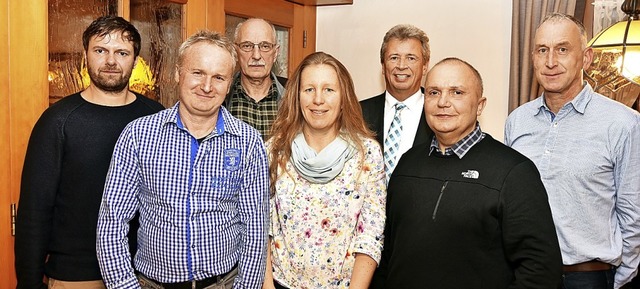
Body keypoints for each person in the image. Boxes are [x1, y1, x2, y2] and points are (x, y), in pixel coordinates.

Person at [96, 30, 269, 289]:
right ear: (179, 73)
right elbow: (112, 223)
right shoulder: (138, 135)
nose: (207, 86)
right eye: (197, 73)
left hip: (223, 283)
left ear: (229, 84)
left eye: (218, 77)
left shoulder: (248, 142)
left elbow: (255, 230)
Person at [373, 58, 563, 289]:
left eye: (457, 92)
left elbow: (540, 271)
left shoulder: (514, 172)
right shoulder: (407, 164)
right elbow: (387, 254)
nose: (443, 102)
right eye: (434, 92)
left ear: (480, 105)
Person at [14, 16, 164, 289]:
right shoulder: (58, 121)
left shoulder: (155, 117)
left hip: (141, 274)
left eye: (121, 52)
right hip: (77, 275)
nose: (110, 61)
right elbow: (34, 211)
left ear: (135, 60)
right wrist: (28, 282)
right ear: (86, 56)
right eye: (100, 51)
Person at [505, 13, 640, 289]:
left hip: (589, 276)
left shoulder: (622, 123)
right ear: (533, 58)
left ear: (586, 58)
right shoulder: (516, 121)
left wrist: (620, 280)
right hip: (526, 276)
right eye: (542, 50)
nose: (551, 61)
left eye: (563, 50)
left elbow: (633, 213)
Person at [262, 52, 386, 289]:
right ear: (297, 96)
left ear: (343, 98)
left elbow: (370, 236)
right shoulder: (275, 151)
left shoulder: (367, 154)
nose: (318, 99)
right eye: (309, 89)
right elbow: (261, 229)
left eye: (329, 90)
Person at [360, 24, 433, 181]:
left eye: (411, 58)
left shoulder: (438, 114)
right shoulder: (357, 112)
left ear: (425, 66)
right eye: (394, 58)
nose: (401, 66)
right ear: (383, 66)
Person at [225, 18, 287, 140]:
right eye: (247, 46)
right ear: (236, 51)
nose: (256, 55)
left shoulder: (294, 94)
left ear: (275, 53)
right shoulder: (219, 95)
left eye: (265, 46)